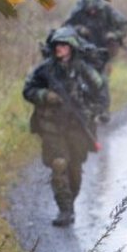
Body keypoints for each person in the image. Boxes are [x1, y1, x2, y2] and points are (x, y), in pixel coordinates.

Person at [22, 26, 108, 227]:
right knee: (59, 164)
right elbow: (28, 90)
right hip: (51, 127)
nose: (59, 48)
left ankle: (69, 203)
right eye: (57, 45)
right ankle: (65, 210)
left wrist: (93, 111)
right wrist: (45, 96)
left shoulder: (83, 69)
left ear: (71, 47)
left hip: (77, 127)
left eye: (63, 45)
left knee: (75, 172)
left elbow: (100, 91)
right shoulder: (45, 69)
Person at [62, 0, 127, 75]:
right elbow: (65, 27)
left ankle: (106, 66)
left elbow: (124, 24)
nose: (92, 12)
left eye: (94, 10)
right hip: (84, 43)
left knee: (104, 65)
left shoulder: (106, 10)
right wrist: (79, 29)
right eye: (89, 10)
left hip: (104, 42)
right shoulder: (78, 12)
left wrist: (115, 34)